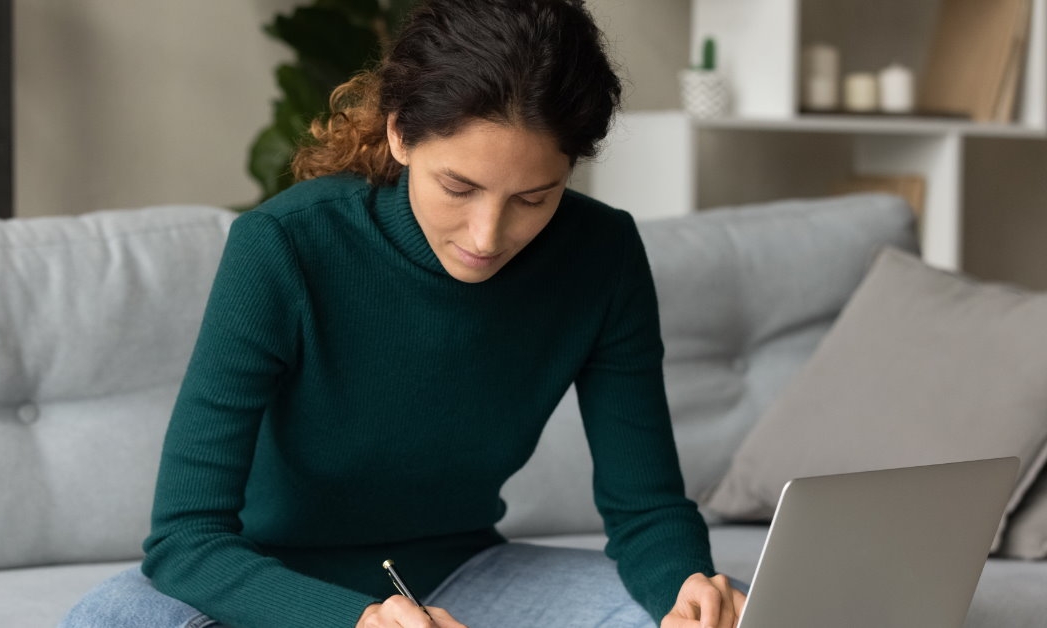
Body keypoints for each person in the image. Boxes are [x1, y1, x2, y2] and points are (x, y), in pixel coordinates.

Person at [61, 0, 747, 626]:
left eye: (534, 198)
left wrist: (686, 588)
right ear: (399, 135)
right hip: (265, 586)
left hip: (463, 573)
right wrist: (354, 620)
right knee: (117, 619)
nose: (487, 236)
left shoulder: (603, 255)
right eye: (459, 187)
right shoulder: (283, 247)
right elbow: (185, 540)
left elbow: (646, 506)